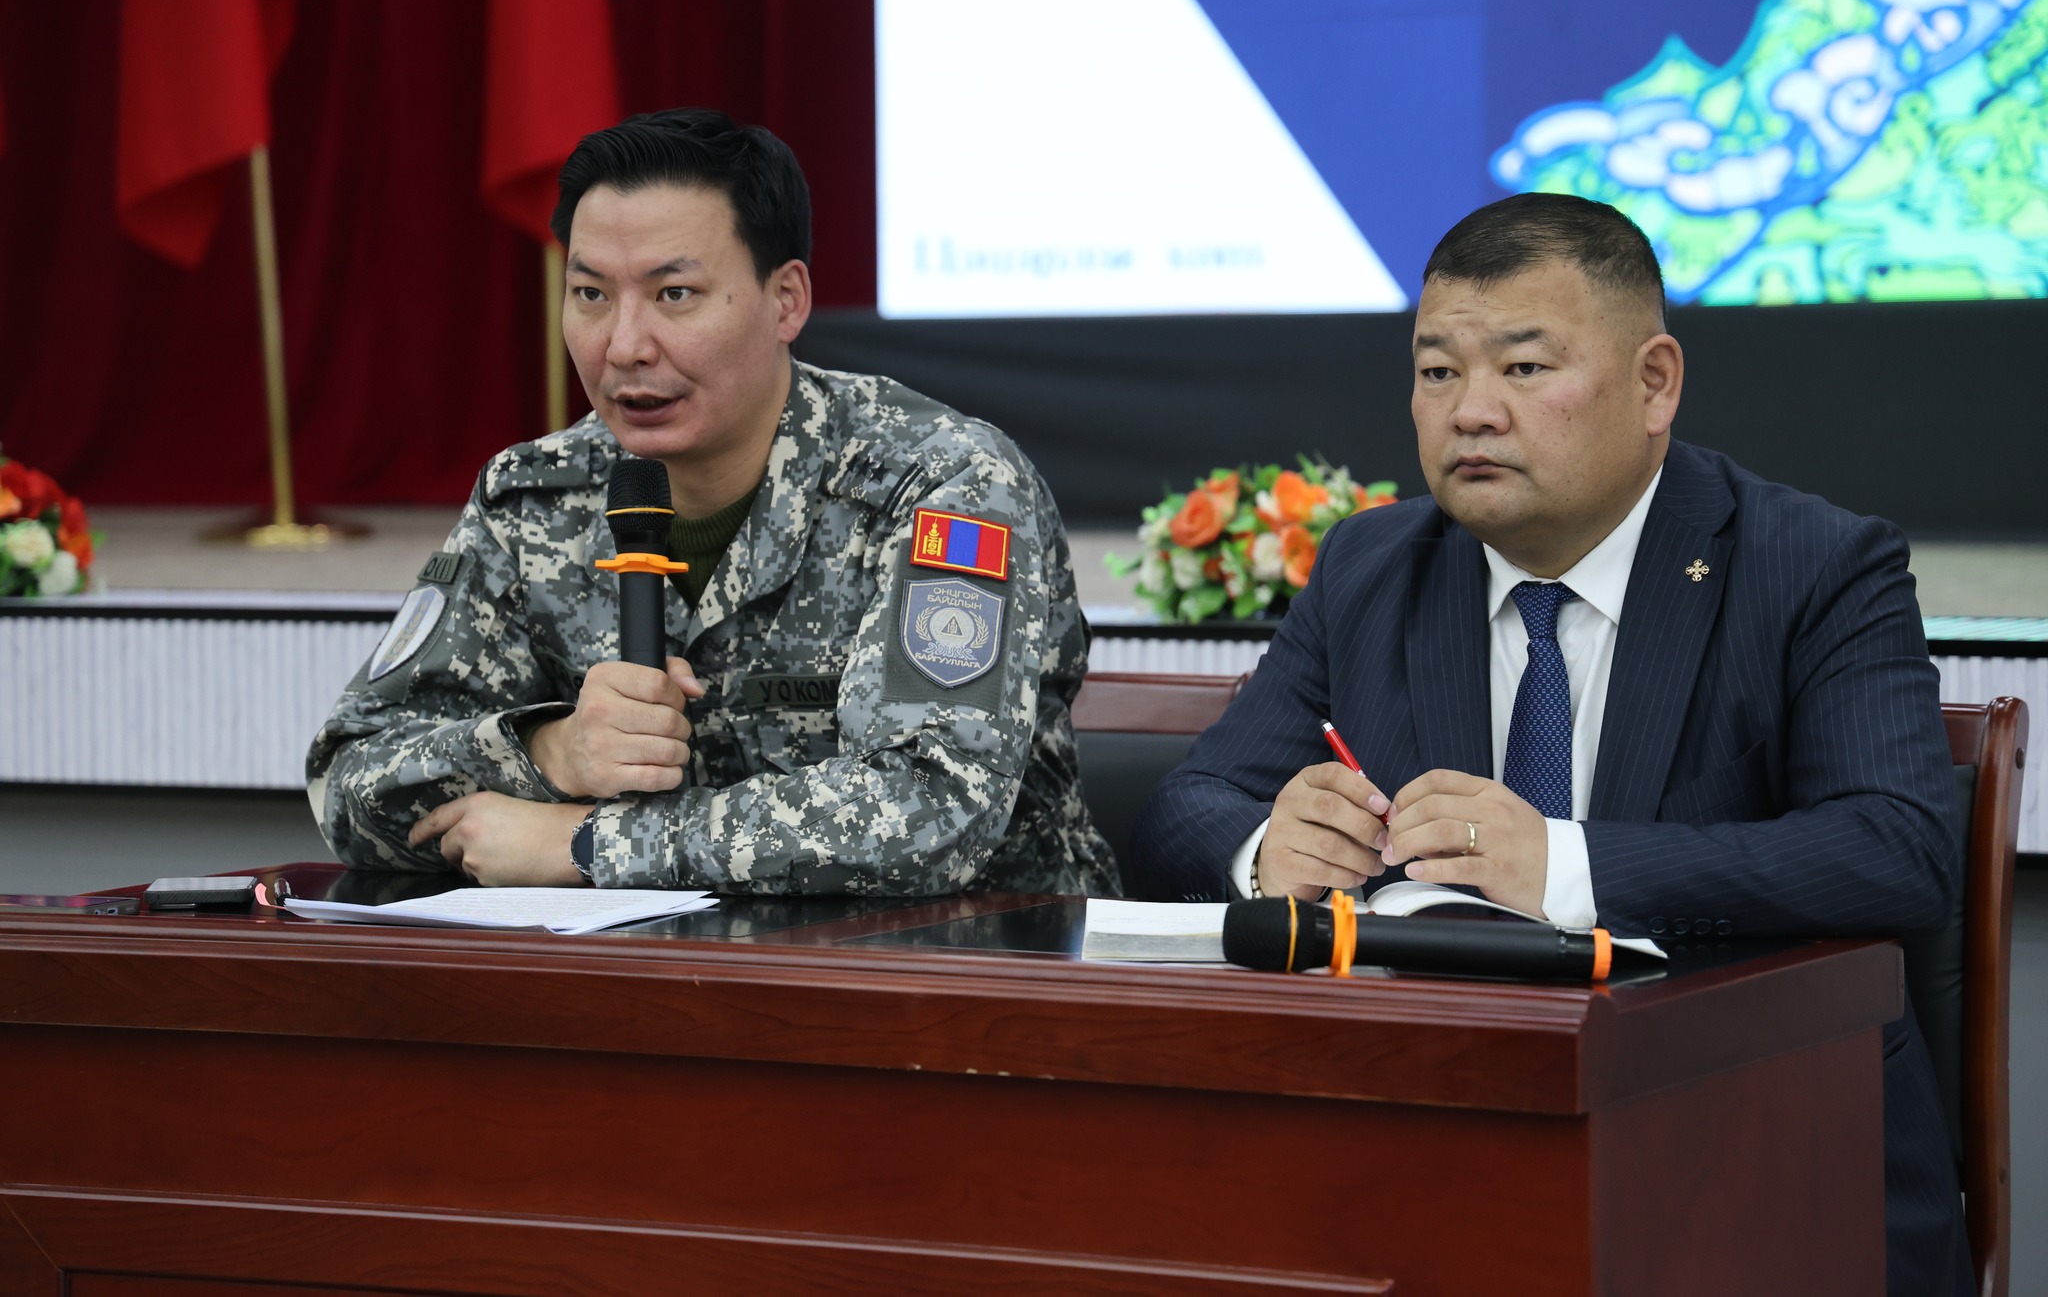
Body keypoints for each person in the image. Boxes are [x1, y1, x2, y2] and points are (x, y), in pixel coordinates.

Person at [1126, 194, 1969, 1293]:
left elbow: (1897, 847)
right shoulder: (1372, 568)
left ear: (1653, 383)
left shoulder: (1812, 565)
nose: (1471, 412)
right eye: (1438, 371)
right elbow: (1187, 808)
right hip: (1431, 1154)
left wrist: (1560, 865)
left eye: (1522, 368)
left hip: (1757, 1156)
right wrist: (1266, 853)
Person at [308, 108, 1114, 898]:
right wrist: (553, 751)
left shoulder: (943, 483)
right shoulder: (533, 497)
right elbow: (348, 783)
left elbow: (930, 811)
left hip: (959, 965)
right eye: (590, 294)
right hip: (639, 974)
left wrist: (587, 843)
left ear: (786, 300)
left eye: (674, 294)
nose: (625, 344)